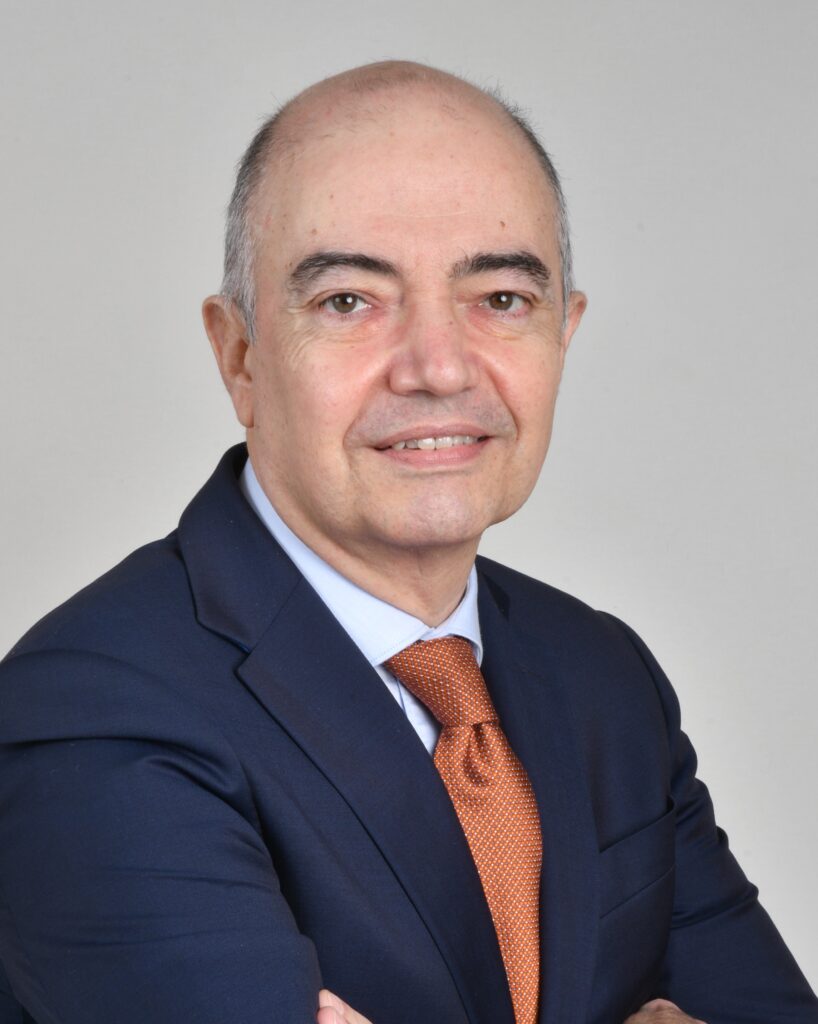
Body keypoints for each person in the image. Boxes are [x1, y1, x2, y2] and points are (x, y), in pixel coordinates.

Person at [0, 60, 815, 1024]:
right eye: (349, 300)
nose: (438, 367)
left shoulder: (604, 676)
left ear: (564, 334)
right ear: (240, 355)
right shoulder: (91, 711)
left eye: (501, 298)